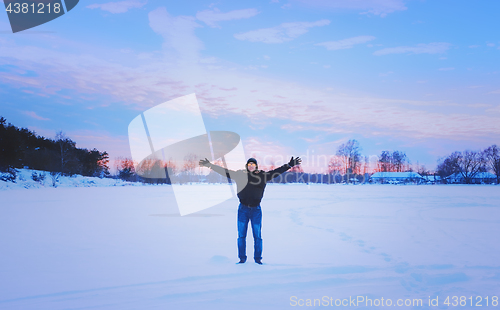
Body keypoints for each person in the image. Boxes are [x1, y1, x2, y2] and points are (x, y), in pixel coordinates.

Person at [199, 156, 302, 264]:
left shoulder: (263, 176)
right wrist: (210, 165)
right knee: (241, 236)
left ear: (256, 166)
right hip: (243, 209)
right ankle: (242, 259)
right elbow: (225, 172)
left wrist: (289, 165)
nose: (251, 166)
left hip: (256, 210)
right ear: (247, 166)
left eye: (253, 164)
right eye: (249, 165)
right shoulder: (239, 175)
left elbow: (277, 172)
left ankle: (258, 259)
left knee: (257, 236)